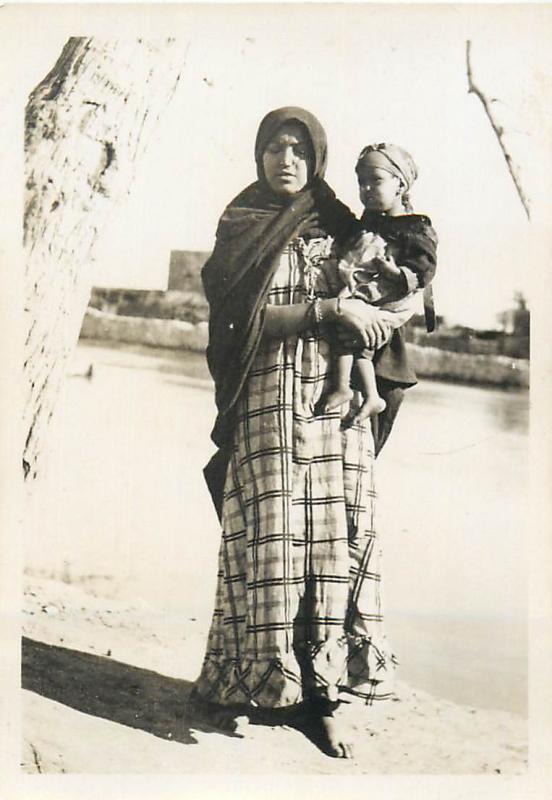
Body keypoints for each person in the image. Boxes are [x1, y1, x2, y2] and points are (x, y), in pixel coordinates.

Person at [195, 107, 398, 759]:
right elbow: (235, 319)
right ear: (258, 156)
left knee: (333, 546)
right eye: (274, 148)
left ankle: (323, 699)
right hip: (265, 400)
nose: (286, 160)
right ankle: (241, 681)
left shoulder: (343, 226)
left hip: (333, 409)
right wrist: (325, 308)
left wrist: (371, 318)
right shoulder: (240, 225)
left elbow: (391, 295)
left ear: (318, 161)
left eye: (299, 151)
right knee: (270, 540)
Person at [323, 143, 438, 425]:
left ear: (400, 184)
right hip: (366, 297)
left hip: (390, 301)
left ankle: (361, 392)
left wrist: (396, 273)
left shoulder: (414, 227)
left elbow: (424, 267)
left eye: (376, 180)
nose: (367, 188)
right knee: (346, 328)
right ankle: (345, 388)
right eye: (361, 182)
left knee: (356, 334)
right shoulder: (367, 224)